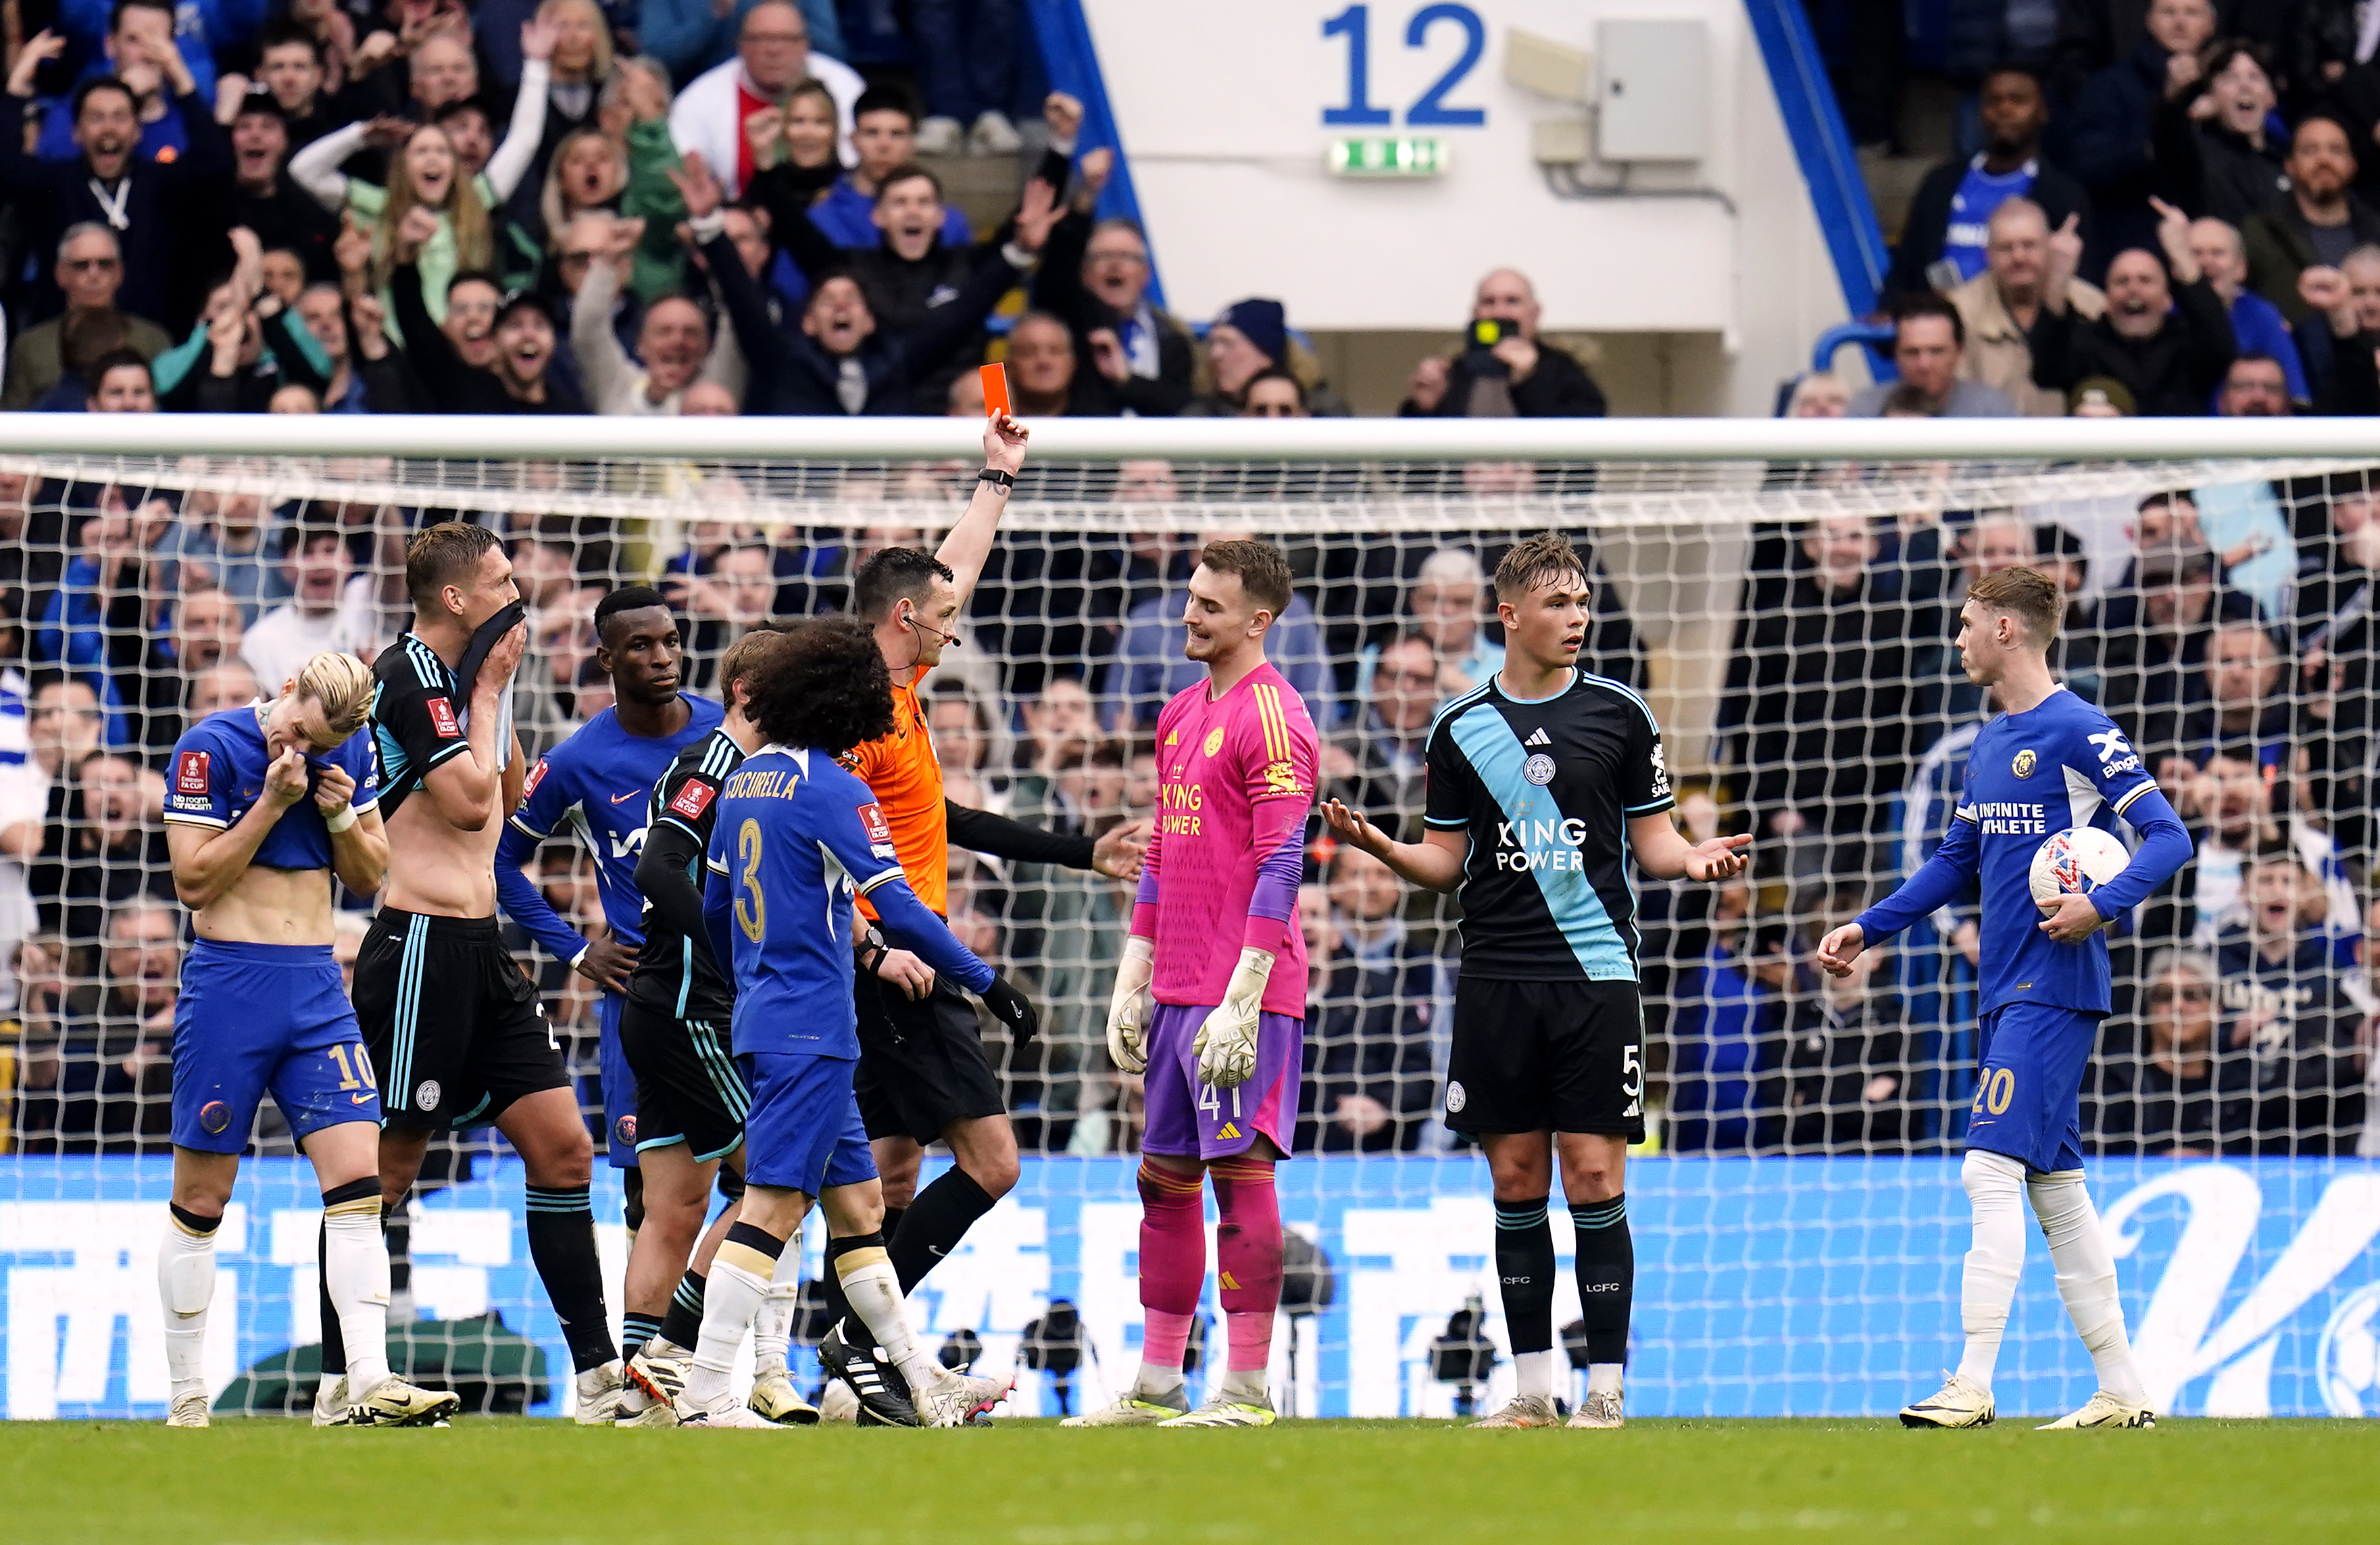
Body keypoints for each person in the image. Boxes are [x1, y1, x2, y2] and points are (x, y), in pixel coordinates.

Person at [1316, 533, 1749, 1429]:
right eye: (1558, 604)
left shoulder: (1622, 715)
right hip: (1495, 979)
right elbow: (1442, 862)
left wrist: (1692, 860)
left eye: (1583, 602)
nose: (1578, 617)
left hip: (1594, 975)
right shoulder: (1458, 727)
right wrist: (1379, 848)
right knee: (1515, 1180)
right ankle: (1528, 1389)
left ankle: (1605, 1389)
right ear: (1509, 615)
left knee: (1592, 1176)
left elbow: (1654, 842)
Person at [804, 414, 1143, 1415]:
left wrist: (996, 479)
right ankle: (852, 1341)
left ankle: (865, 1369)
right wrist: (872, 948)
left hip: (895, 961)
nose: (958, 626)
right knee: (991, 1162)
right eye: (943, 615)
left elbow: (937, 816)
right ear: (906, 615)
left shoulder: (895, 689)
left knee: (886, 1182)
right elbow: (820, 844)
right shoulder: (858, 717)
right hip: (899, 968)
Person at [1816, 564, 2193, 1430]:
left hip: (2055, 989)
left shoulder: (2083, 730)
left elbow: (2169, 837)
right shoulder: (1989, 743)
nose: (1957, 639)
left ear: (2008, 630)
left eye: (1967, 623)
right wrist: (1866, 928)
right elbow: (1955, 863)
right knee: (2056, 1190)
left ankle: (1973, 1383)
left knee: (1987, 1168)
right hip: (2002, 990)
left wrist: (2101, 903)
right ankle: (2124, 1390)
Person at [672, 616, 1029, 1428]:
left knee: (861, 1209)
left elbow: (722, 908)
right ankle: (701, 1397)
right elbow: (899, 908)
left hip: (775, 1014)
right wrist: (986, 981)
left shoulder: (745, 782)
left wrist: (761, 981)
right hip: (814, 1028)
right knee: (770, 1208)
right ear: (844, 698)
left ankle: (918, 1374)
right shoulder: (836, 788)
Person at [339, 522, 625, 1423]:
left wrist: (494, 691)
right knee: (384, 1171)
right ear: (457, 598)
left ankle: (596, 1376)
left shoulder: (462, 684)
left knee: (563, 1146)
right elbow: (466, 810)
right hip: (419, 942)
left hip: (481, 946)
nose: (521, 591)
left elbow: (502, 796)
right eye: (503, 578)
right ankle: (348, 1381)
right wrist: (495, 683)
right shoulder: (411, 671)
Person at [155, 652, 457, 1429]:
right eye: (297, 730)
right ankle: (187, 1399)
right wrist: (268, 804)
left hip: (317, 987)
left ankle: (366, 1382)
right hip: (230, 985)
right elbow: (192, 882)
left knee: (360, 1184)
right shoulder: (210, 747)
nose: (302, 748)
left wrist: (335, 813)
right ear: (286, 687)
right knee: (202, 1198)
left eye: (319, 743)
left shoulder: (347, 750)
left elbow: (368, 876)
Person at [1059, 539, 1321, 1429]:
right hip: (1176, 987)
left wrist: (1243, 992)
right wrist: (1131, 973)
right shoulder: (1176, 714)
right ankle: (1156, 1383)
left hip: (1243, 991)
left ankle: (1246, 1390)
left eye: (1208, 604)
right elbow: (1164, 850)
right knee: (1161, 1178)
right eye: (1189, 597)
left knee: (1239, 1173)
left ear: (1258, 620)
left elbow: (1283, 859)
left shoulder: (1276, 718)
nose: (1188, 613)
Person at [605, 628, 799, 1425]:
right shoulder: (714, 765)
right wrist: (735, 941)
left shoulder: (737, 771)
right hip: (691, 1008)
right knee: (777, 1181)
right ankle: (679, 1359)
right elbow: (655, 866)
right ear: (752, 695)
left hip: (660, 1006)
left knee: (677, 1206)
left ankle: (638, 1389)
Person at [493, 587, 724, 1222]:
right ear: (606, 659)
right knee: (646, 1192)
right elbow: (502, 864)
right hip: (641, 994)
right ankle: (644, 1324)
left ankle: (747, 1326)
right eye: (641, 646)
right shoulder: (575, 762)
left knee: (756, 1174)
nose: (662, 658)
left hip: (734, 983)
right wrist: (575, 951)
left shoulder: (728, 736)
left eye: (670, 642)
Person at [0, 53, 227, 333]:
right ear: (76, 132)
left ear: (137, 131)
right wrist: (18, 84)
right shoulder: (55, 183)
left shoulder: (161, 183)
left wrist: (179, 77)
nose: (109, 129)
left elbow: (215, 162)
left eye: (120, 117)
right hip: (65, 340)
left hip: (149, 343)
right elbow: (6, 167)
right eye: (96, 118)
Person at [1887, 64, 2092, 299]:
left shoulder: (2063, 195)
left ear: (2043, 111)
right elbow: (1907, 266)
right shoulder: (1940, 184)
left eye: (2018, 100)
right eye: (1994, 101)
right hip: (1938, 325)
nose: (2004, 109)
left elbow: (2078, 284)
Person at [2029, 197, 2236, 415]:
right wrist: (2058, 278)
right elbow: (2044, 369)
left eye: (2146, 280)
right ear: (2106, 300)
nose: (2133, 289)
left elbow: (2220, 347)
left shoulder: (2186, 344)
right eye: (2122, 281)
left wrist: (2183, 257)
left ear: (2168, 300)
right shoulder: (2084, 345)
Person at [666, 0, 864, 199]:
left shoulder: (845, 87)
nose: (774, 51)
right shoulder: (700, 98)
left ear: (806, 45)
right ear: (740, 45)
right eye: (761, 39)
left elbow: (859, 171)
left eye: (787, 39)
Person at [1950, 200, 2106, 416]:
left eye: (2029, 245)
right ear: (1987, 254)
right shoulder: (1958, 310)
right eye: (2006, 248)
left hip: (2072, 444)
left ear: (2049, 247)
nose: (2019, 257)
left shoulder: (2092, 306)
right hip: (1989, 443)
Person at [1, 225, 171, 411]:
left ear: (119, 272)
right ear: (60, 273)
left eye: (104, 264)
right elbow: (12, 418)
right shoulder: (31, 347)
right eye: (82, 265)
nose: (94, 275)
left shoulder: (153, 340)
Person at [1401, 270, 1605, 419]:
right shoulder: (1453, 374)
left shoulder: (1563, 370)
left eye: (1512, 301)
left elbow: (1584, 451)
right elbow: (1403, 471)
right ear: (1475, 314)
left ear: (1534, 314)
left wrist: (1529, 381)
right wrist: (1422, 409)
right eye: (1489, 302)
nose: (1499, 313)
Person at [2242, 112, 2380, 324]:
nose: (2324, 160)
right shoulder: (2262, 234)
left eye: (2336, 150)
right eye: (2310, 151)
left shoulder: (2375, 229)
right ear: (2289, 166)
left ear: (2353, 165)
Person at [1849, 295, 2018, 416]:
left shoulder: (1991, 411)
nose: (1924, 364)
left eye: (1937, 351)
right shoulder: (1867, 411)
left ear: (1959, 352)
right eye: (1912, 352)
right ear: (1896, 353)